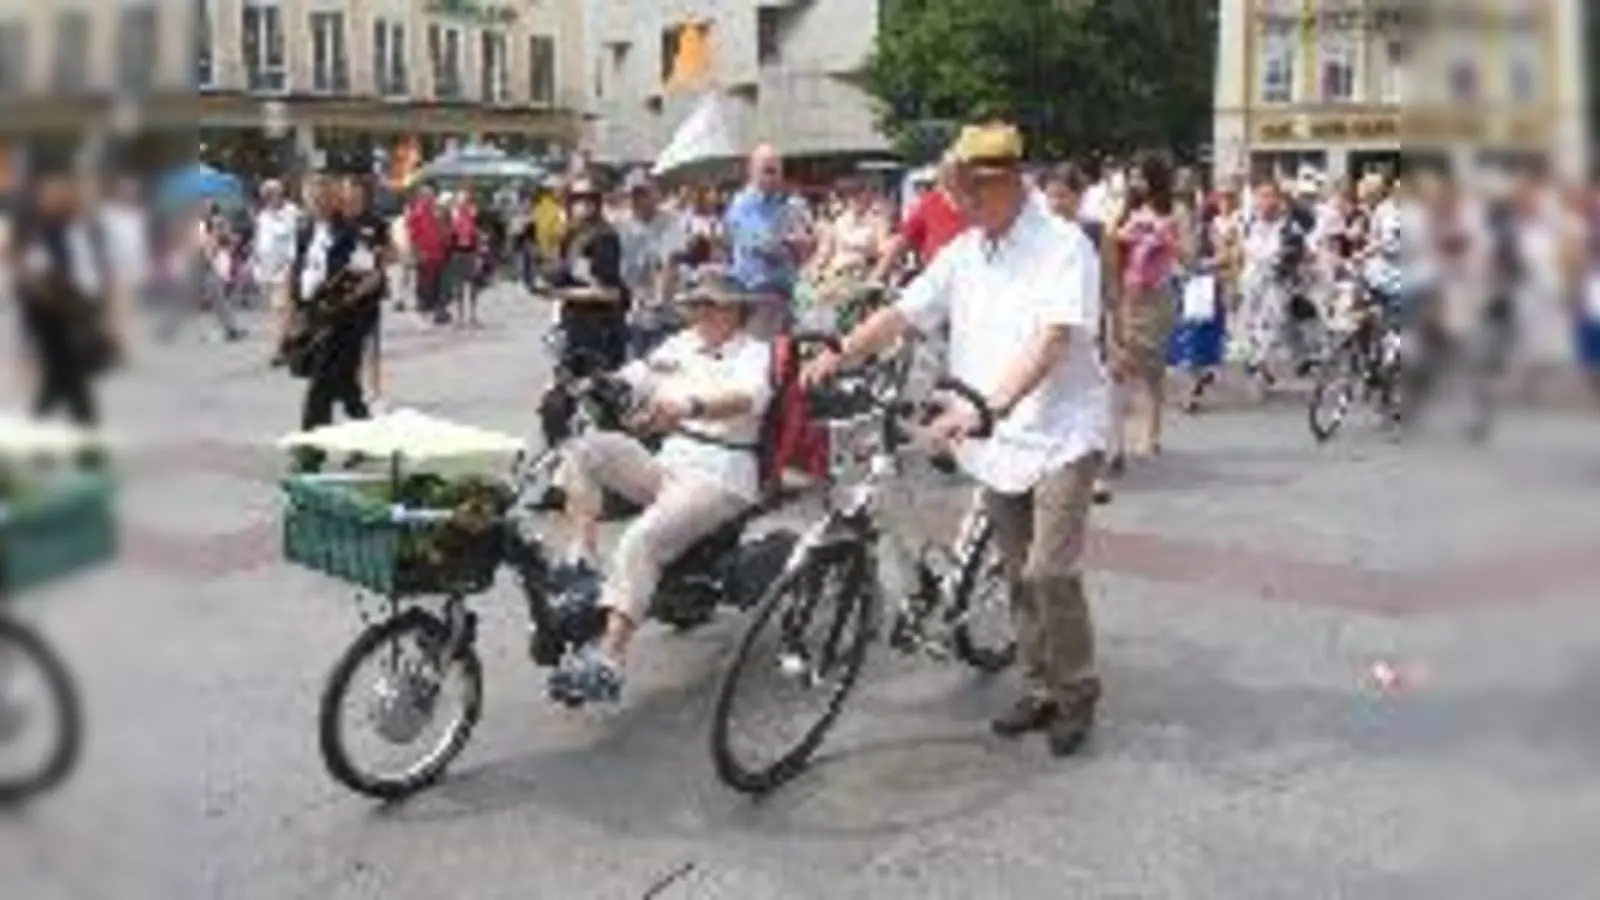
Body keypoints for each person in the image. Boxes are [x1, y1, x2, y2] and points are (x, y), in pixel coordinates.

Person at [801, 122, 1110, 757]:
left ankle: (1076, 691)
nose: (962, 204)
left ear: (1009, 183)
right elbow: (905, 311)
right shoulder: (968, 250)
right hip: (996, 436)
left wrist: (988, 404)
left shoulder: (1063, 245)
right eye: (958, 192)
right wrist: (841, 349)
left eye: (972, 192)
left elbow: (1052, 341)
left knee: (1049, 570)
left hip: (1062, 428)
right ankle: (1038, 687)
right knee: (1019, 575)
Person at [543, 266, 774, 703]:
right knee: (583, 450)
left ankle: (609, 660)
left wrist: (688, 404)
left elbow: (746, 398)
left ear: (734, 310)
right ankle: (583, 559)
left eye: (710, 305)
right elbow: (637, 376)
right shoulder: (681, 344)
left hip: (719, 474)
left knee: (641, 539)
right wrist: (593, 386)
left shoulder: (754, 354)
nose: (700, 313)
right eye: (696, 305)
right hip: (670, 462)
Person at [11, 170, 121, 425]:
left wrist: (102, 307)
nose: (59, 199)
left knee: (61, 375)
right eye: (51, 195)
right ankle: (86, 431)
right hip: (50, 310)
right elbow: (31, 271)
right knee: (69, 374)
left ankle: (38, 426)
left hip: (77, 305)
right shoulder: (39, 229)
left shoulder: (83, 227)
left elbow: (98, 267)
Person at [293, 176, 386, 430]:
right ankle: (369, 436)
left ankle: (309, 451)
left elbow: (372, 276)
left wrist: (345, 297)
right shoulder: (305, 231)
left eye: (322, 198)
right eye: (311, 199)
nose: (316, 204)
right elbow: (299, 272)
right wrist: (296, 314)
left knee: (320, 385)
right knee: (345, 385)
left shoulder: (350, 233)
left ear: (333, 200)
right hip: (315, 314)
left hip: (343, 320)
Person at [548, 177, 629, 376]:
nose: (582, 204)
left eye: (589, 198)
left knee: (599, 396)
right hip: (573, 324)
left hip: (601, 328)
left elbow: (611, 293)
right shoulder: (572, 235)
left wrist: (563, 293)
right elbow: (563, 273)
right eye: (576, 198)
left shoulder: (605, 237)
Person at [724, 144, 806, 336]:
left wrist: (803, 243)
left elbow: (806, 242)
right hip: (756, 291)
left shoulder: (789, 204)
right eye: (768, 171)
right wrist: (789, 243)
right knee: (763, 353)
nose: (774, 177)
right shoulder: (742, 205)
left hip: (787, 291)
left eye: (778, 171)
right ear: (752, 171)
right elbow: (763, 244)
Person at [616, 170, 687, 358]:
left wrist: (660, 298)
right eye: (633, 195)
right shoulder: (622, 227)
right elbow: (625, 272)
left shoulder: (671, 222)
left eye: (642, 193)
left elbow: (669, 263)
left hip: (670, 314)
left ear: (654, 194)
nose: (637, 200)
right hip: (638, 315)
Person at [873, 153, 969, 283]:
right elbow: (903, 240)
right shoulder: (930, 202)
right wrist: (878, 275)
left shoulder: (982, 206)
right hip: (936, 277)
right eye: (948, 176)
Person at [252, 179, 300, 364]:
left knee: (283, 309)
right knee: (279, 311)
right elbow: (259, 241)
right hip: (267, 269)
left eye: (274, 193)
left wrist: (291, 264)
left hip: (286, 268)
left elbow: (295, 240)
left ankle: (280, 350)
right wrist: (256, 261)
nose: (271, 198)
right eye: (267, 195)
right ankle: (291, 345)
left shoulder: (292, 212)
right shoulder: (263, 216)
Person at [405, 185, 449, 324]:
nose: (432, 199)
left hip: (438, 252)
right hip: (425, 252)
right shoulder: (417, 213)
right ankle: (424, 305)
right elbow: (413, 235)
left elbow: (443, 230)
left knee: (436, 281)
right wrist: (417, 252)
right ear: (422, 197)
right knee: (424, 280)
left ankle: (435, 307)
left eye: (432, 196)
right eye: (429, 196)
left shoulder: (436, 212)